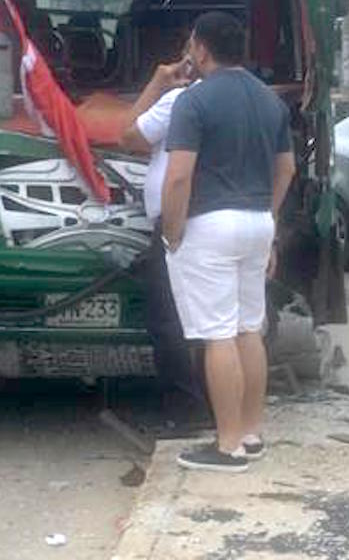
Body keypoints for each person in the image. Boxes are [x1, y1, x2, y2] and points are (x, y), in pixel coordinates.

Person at [160, 11, 295, 473]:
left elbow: (178, 177)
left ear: (200, 49)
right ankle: (251, 432)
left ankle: (228, 445)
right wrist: (270, 219)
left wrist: (172, 230)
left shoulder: (192, 102)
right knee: (248, 329)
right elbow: (287, 170)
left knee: (217, 334)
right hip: (259, 221)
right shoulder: (268, 100)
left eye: (191, 45)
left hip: (210, 226)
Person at [120, 54, 209, 424]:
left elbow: (128, 137)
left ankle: (184, 410)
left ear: (199, 54)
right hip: (220, 217)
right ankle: (218, 407)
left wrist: (157, 83)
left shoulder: (180, 101)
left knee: (166, 318)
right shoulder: (245, 100)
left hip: (178, 220)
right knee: (214, 321)